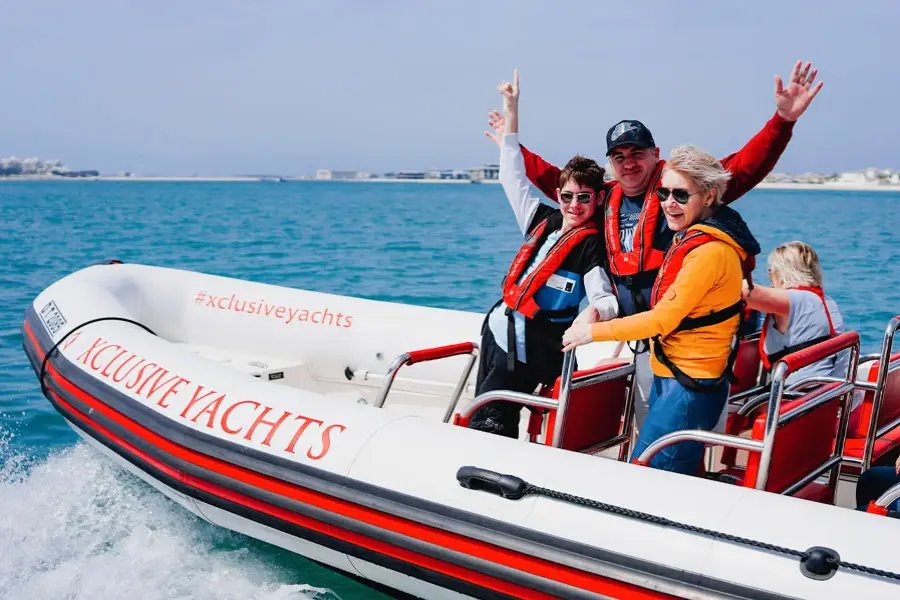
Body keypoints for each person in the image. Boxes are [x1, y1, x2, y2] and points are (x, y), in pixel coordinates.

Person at [486, 61, 823, 429]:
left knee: (673, 436)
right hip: (641, 339)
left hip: (685, 344)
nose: (628, 163)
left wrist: (782, 123)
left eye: (637, 154)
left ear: (655, 153)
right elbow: (557, 179)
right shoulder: (604, 200)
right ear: (611, 163)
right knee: (647, 429)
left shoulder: (677, 196)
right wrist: (511, 143)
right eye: (620, 157)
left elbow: (740, 169)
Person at [562, 144, 760, 474]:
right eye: (664, 193)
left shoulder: (709, 252)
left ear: (708, 196)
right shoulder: (691, 237)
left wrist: (591, 333)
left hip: (690, 386)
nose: (669, 203)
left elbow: (662, 319)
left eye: (681, 195)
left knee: (648, 472)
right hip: (672, 376)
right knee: (678, 474)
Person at [469, 70, 618, 439]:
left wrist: (594, 316)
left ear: (597, 199)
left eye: (584, 198)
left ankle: (487, 477)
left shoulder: (592, 246)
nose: (574, 205)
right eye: (567, 196)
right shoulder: (541, 219)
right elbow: (512, 178)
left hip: (534, 348)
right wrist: (512, 112)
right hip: (499, 332)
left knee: (489, 420)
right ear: (559, 195)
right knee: (484, 410)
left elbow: (604, 297)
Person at [742, 241, 849, 384]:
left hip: (802, 395)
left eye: (771, 271)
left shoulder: (797, 300)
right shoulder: (824, 301)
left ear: (782, 273)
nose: (770, 277)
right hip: (828, 392)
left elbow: (743, 291)